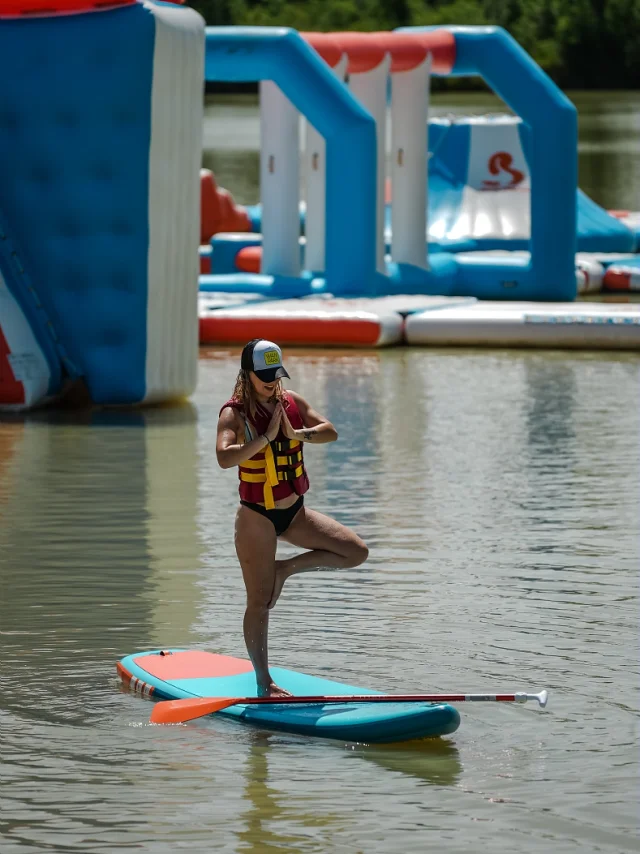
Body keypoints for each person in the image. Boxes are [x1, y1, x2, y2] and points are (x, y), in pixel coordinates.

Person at [216, 339, 369, 698]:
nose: (272, 383)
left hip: (295, 514)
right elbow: (224, 458)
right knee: (259, 600)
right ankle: (263, 681)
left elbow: (330, 430)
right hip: (257, 518)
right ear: (247, 374)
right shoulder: (233, 414)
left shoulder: (292, 403)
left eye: (276, 375)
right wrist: (266, 438)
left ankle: (284, 569)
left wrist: (297, 434)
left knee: (355, 552)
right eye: (264, 376)